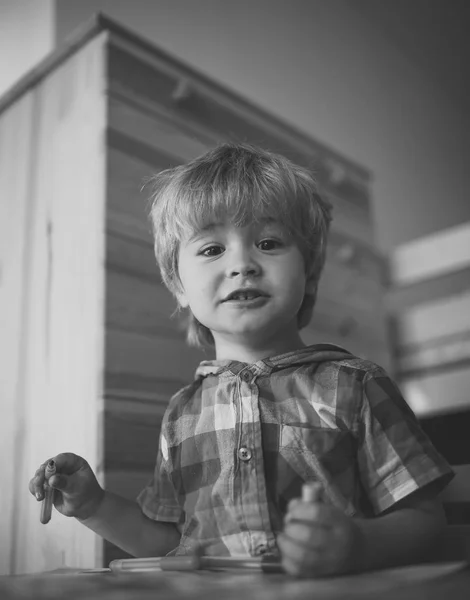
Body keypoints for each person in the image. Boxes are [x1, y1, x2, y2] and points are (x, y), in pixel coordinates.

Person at [29, 143, 454, 577]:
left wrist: (357, 545)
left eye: (268, 242)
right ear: (178, 284)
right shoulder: (181, 413)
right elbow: (174, 544)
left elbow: (426, 522)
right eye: (212, 249)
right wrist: (94, 506)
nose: (243, 264)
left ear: (308, 274)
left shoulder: (357, 385)